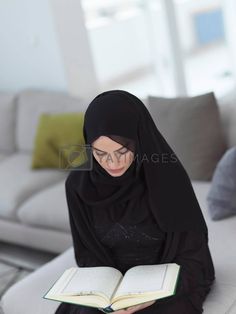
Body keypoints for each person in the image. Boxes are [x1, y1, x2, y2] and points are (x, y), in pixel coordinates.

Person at [55, 90, 215, 314]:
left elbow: (195, 260)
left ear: (139, 139)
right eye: (100, 154)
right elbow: (87, 255)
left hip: (164, 287)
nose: (112, 163)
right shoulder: (78, 185)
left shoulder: (168, 178)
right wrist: (107, 297)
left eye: (122, 151)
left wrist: (150, 297)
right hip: (111, 292)